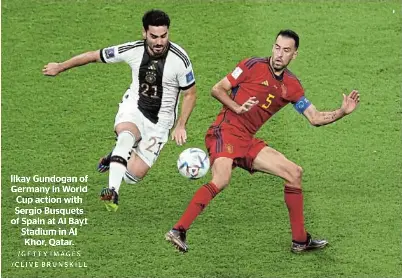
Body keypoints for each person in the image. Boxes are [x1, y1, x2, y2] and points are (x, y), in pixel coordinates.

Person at [165, 29, 360, 253]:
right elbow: (217, 89)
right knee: (222, 179)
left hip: (247, 140)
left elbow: (314, 118)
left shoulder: (291, 86)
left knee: (294, 173)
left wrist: (342, 112)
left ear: (294, 55)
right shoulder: (252, 66)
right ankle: (179, 230)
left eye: (286, 50)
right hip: (225, 132)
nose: (279, 54)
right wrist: (237, 107)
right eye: (277, 47)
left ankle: (300, 240)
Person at [43, 10, 197, 212]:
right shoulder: (132, 50)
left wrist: (181, 125)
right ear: (144, 33)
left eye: (163, 36)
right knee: (126, 136)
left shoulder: (180, 60)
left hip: (160, 123)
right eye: (154, 36)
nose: (159, 42)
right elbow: (93, 56)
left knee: (133, 176)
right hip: (133, 107)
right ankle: (111, 191)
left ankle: (114, 157)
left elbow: (190, 94)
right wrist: (61, 67)